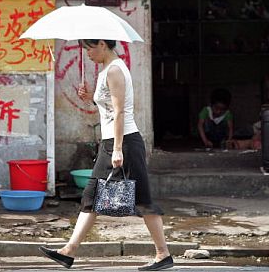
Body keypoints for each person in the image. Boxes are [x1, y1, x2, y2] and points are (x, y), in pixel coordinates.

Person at [39, 39, 173, 271]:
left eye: (90, 48)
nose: (87, 53)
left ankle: (163, 254)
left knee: (143, 200)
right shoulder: (106, 70)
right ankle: (68, 251)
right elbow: (110, 108)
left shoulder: (114, 70)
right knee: (90, 196)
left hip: (126, 143)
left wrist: (119, 149)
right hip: (110, 142)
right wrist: (90, 97)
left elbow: (121, 112)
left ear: (102, 44)